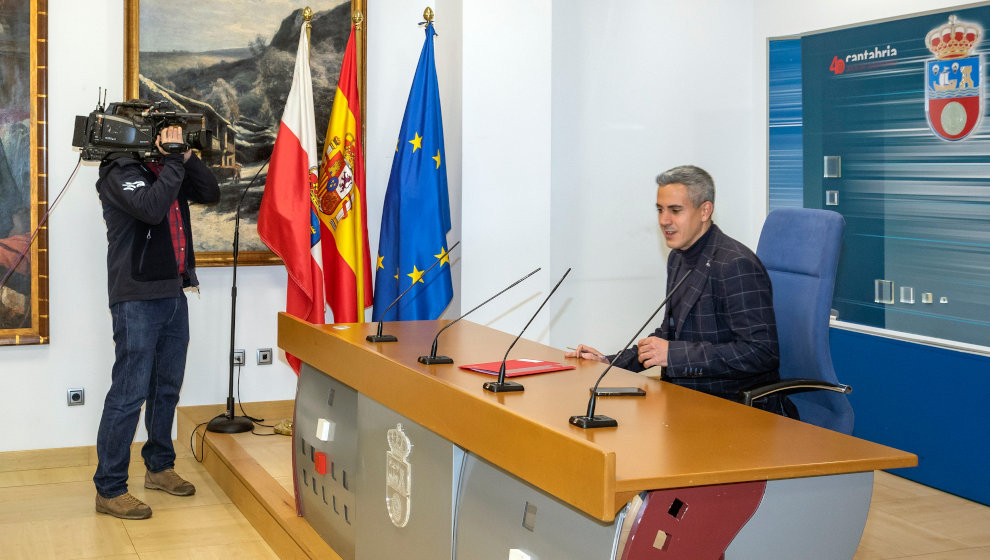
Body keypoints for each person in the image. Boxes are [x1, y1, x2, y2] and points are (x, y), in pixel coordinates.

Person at [566, 165, 795, 417]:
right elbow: (668, 334)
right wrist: (609, 363)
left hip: (733, 406)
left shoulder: (734, 264)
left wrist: (674, 355)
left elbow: (761, 352)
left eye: (675, 210)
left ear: (705, 210)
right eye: (660, 210)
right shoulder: (678, 258)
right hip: (685, 400)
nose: (664, 220)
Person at [93, 122, 220, 519]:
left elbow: (211, 193)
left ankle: (159, 467)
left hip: (173, 293)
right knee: (129, 394)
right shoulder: (119, 171)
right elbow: (150, 209)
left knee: (166, 388)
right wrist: (170, 163)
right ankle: (110, 489)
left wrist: (184, 156)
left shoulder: (164, 169)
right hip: (136, 298)